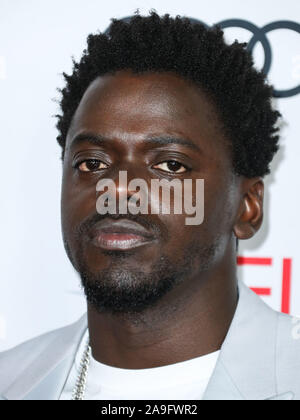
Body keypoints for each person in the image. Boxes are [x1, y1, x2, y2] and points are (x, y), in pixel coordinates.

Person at [1, 10, 299, 401]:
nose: (120, 188)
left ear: (247, 207)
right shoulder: (10, 379)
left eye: (169, 165)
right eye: (92, 163)